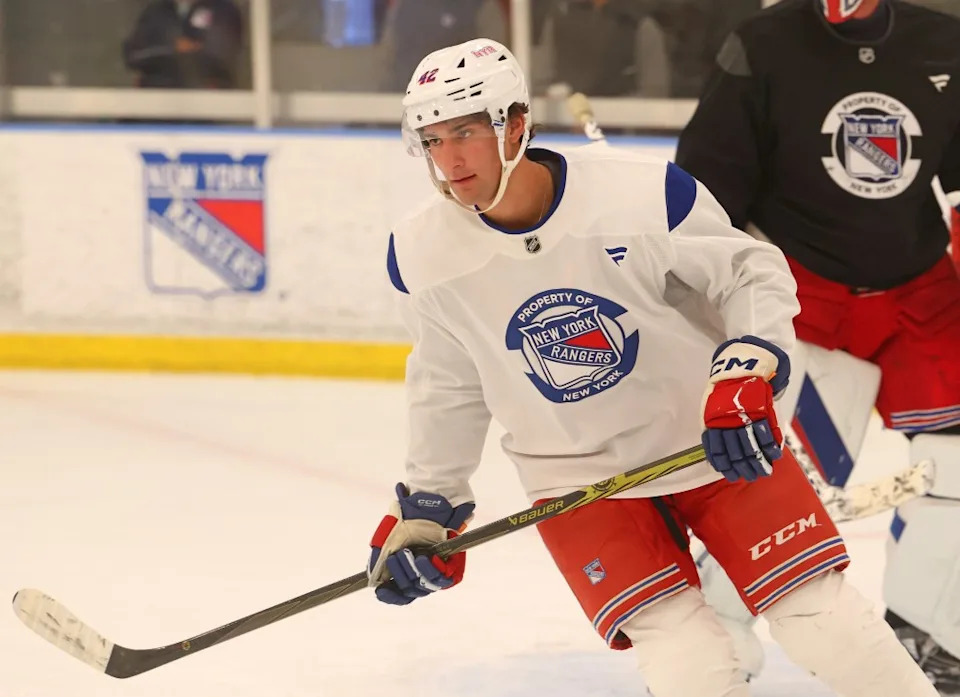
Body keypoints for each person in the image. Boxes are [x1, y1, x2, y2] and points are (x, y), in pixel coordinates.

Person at [363, 36, 939, 697]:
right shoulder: (421, 254)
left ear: (516, 123)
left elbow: (750, 274)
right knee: (688, 657)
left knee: (820, 619)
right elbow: (448, 383)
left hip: (713, 441)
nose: (449, 158)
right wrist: (431, 506)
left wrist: (746, 372)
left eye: (464, 131)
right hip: (576, 479)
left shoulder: (643, 196)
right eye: (432, 140)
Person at [674, 0, 960, 692]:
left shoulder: (945, 42)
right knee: (768, 476)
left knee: (956, 464)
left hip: (919, 294)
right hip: (801, 297)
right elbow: (707, 189)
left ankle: (930, 633)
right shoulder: (762, 44)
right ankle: (718, 639)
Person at [122, 0, 243, 89]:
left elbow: (221, 57)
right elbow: (132, 54)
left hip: (204, 103)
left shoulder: (223, 9)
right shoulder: (156, 11)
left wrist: (190, 52)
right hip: (155, 103)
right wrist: (172, 48)